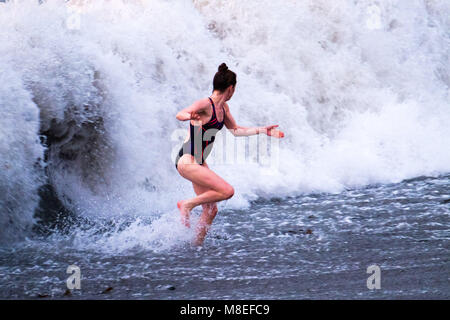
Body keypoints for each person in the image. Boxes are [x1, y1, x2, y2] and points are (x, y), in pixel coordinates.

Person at [174, 63, 285, 246]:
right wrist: (189, 117)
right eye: (235, 89)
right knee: (227, 191)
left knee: (211, 210)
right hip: (187, 160)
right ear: (231, 88)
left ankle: (196, 247)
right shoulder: (205, 104)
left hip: (199, 162)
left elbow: (235, 130)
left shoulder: (223, 108)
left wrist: (263, 130)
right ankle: (187, 204)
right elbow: (180, 113)